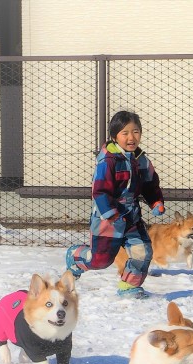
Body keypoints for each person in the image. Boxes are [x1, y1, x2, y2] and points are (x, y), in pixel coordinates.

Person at [65, 111, 165, 299]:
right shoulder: (108, 161)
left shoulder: (140, 159)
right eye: (125, 133)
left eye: (135, 132)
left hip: (131, 217)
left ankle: (129, 286)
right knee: (100, 260)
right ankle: (76, 257)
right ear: (114, 136)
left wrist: (155, 201)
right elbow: (100, 191)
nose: (131, 137)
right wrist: (110, 213)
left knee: (142, 251)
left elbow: (151, 183)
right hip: (107, 219)